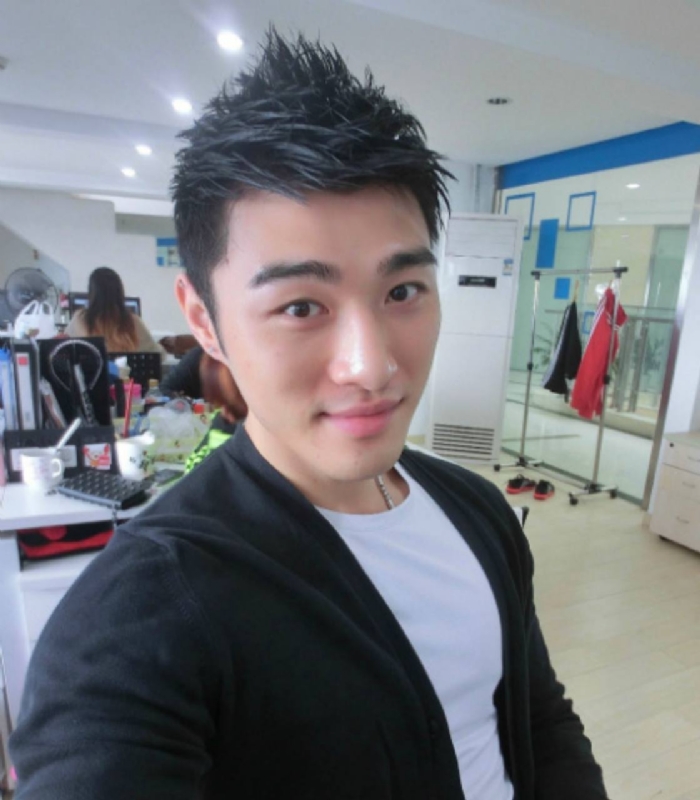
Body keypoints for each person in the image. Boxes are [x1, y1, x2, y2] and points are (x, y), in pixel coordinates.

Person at [10, 30, 608, 800]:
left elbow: (540, 718)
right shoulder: (140, 614)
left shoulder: (478, 511)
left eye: (402, 292)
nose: (372, 365)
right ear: (203, 318)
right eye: (300, 306)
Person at [65, 266, 161, 353]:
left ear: (91, 292)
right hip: (126, 367)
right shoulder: (132, 321)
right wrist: (162, 345)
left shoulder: (79, 319)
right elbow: (157, 354)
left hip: (93, 367)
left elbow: (63, 346)